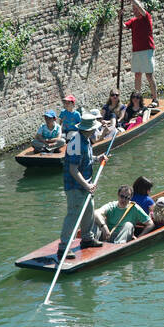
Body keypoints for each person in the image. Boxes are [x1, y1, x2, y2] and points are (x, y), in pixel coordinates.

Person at [57, 111, 109, 258]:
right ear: (89, 129)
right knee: (73, 215)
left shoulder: (85, 140)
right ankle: (64, 247)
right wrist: (86, 185)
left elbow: (85, 159)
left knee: (89, 211)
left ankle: (87, 238)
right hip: (75, 187)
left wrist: (97, 158)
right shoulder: (76, 143)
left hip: (86, 184)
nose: (96, 130)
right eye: (95, 128)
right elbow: (73, 169)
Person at [123, 0, 159, 107]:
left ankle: (155, 99)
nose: (134, 11)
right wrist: (120, 17)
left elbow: (138, 5)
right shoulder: (133, 21)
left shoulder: (146, 17)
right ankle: (137, 100)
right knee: (137, 75)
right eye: (133, 9)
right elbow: (124, 26)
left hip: (147, 50)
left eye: (136, 9)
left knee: (149, 75)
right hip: (136, 51)